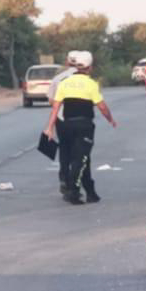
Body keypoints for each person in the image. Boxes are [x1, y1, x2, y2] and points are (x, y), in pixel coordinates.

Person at [43, 51, 117, 205]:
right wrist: (110, 119)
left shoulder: (64, 82)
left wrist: (50, 127)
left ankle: (90, 192)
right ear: (89, 68)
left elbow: (55, 107)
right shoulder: (91, 84)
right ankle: (73, 191)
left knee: (82, 159)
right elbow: (102, 106)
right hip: (84, 125)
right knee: (80, 159)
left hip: (66, 124)